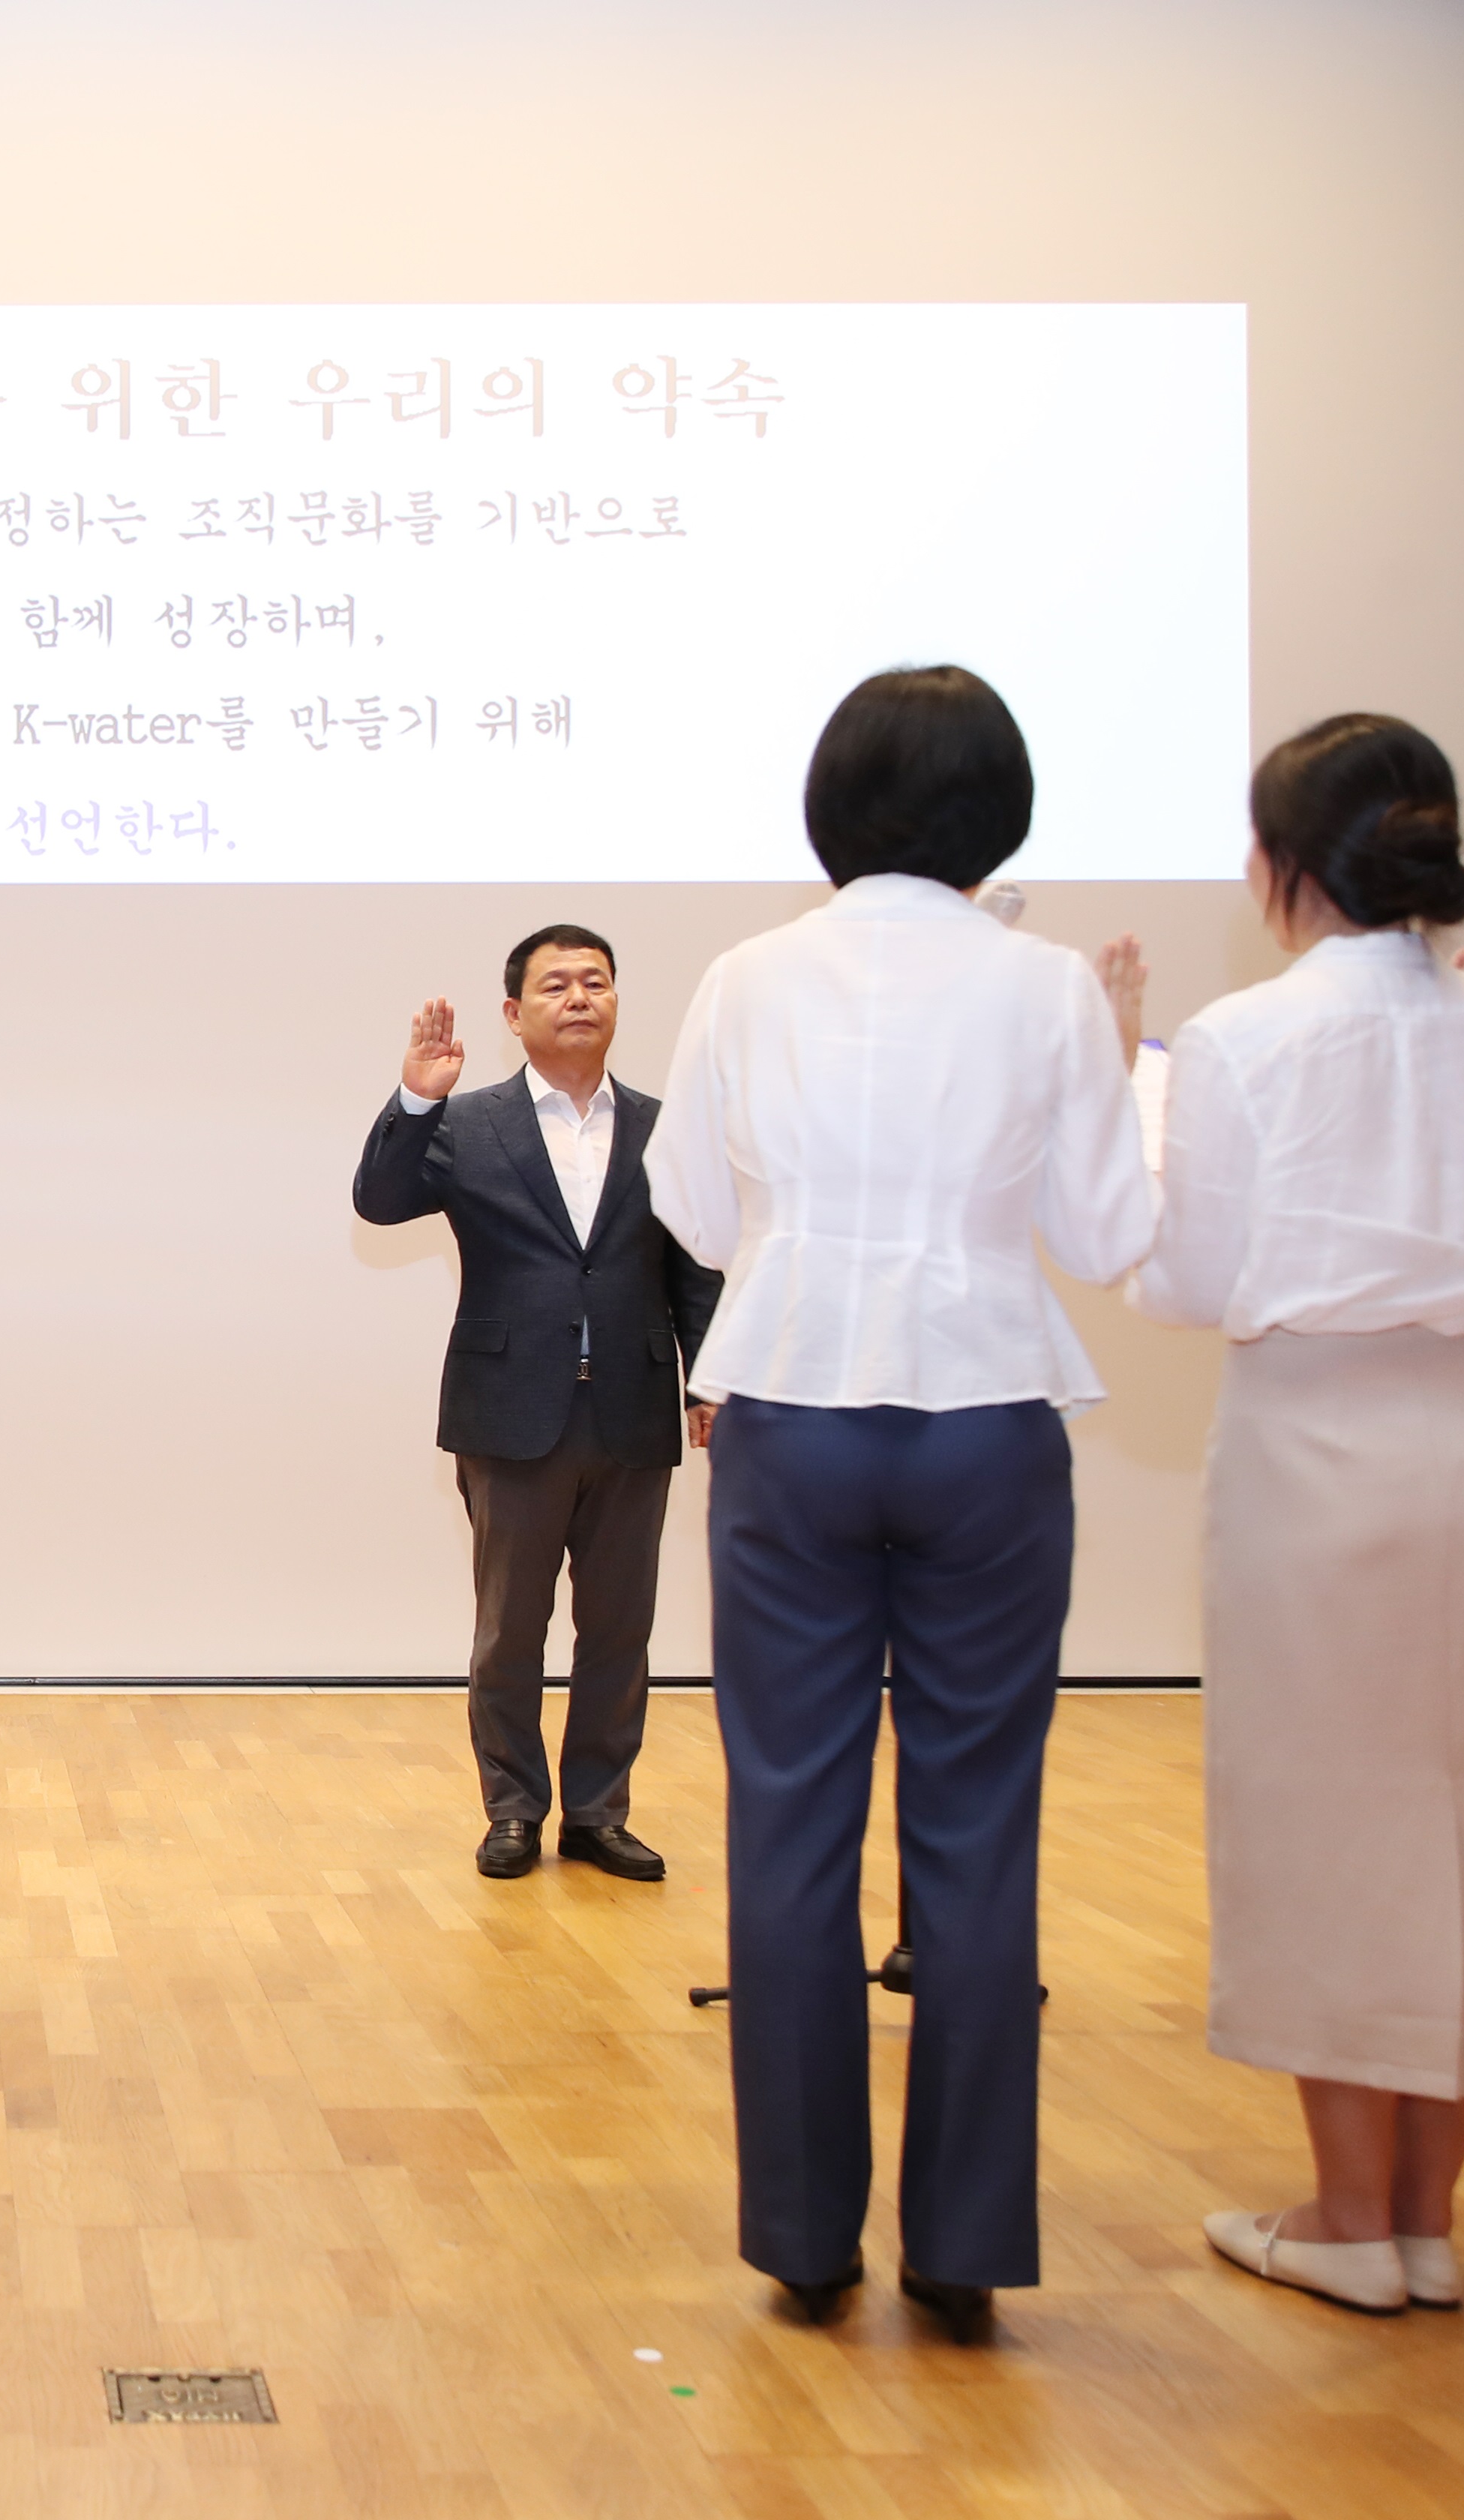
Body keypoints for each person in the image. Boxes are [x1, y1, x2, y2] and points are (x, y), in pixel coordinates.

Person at [643, 665, 1154, 2342]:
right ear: (996, 812)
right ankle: (961, 2247)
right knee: (974, 1832)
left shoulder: (743, 976)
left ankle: (799, 2235)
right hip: (986, 1411)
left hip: (787, 1406)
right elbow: (1099, 1234)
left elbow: (699, 1219)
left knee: (786, 1823)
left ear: (827, 801)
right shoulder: (1049, 987)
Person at [1124, 714, 1464, 2318]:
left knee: (1320, 1823)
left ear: (1278, 864)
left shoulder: (1243, 1039)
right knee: (1460, 1813)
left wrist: (1133, 1105)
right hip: (1460, 1437)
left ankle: (1341, 2216)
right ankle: (1425, 2224)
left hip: (1309, 1438)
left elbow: (1181, 1280)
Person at [352, 926, 722, 1880]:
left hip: (633, 1412)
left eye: (595, 981)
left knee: (618, 1632)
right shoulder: (470, 1125)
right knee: (510, 1630)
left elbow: (692, 1267)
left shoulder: (663, 1125)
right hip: (512, 1412)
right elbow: (380, 1202)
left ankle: (597, 1812)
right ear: (515, 1015)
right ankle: (512, 1807)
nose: (579, 997)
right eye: (555, 985)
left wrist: (711, 1378)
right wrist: (415, 1101)